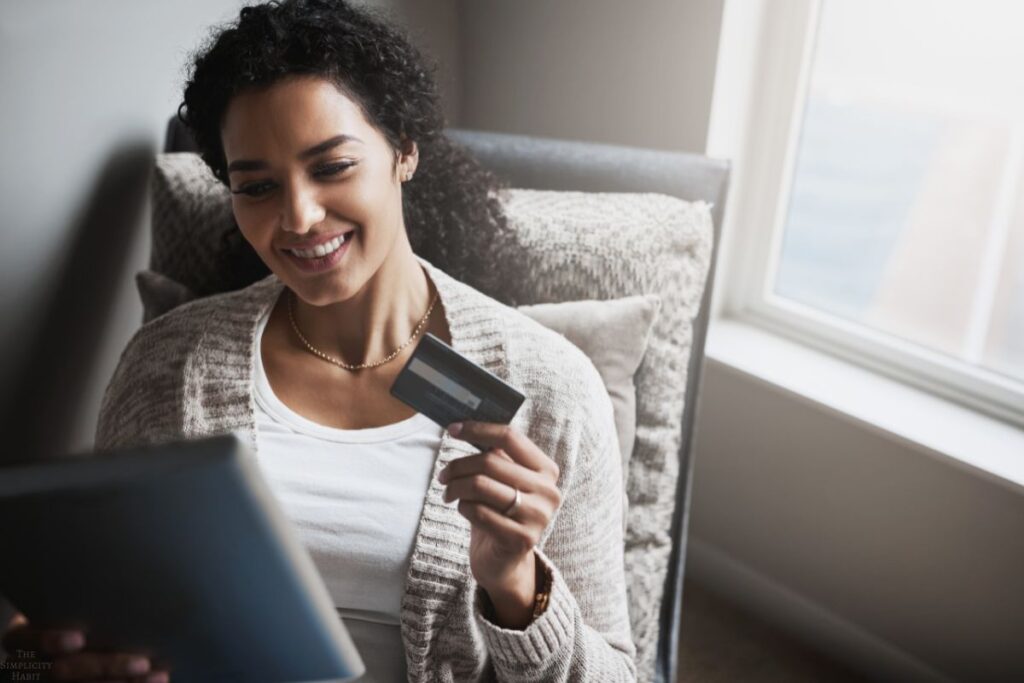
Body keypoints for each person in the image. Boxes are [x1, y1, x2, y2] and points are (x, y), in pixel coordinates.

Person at [1, 1, 636, 680]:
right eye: (258, 186)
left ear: (404, 151)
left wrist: (517, 585)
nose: (298, 217)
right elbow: (84, 632)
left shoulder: (554, 391)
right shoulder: (165, 366)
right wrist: (32, 660)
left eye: (331, 167)